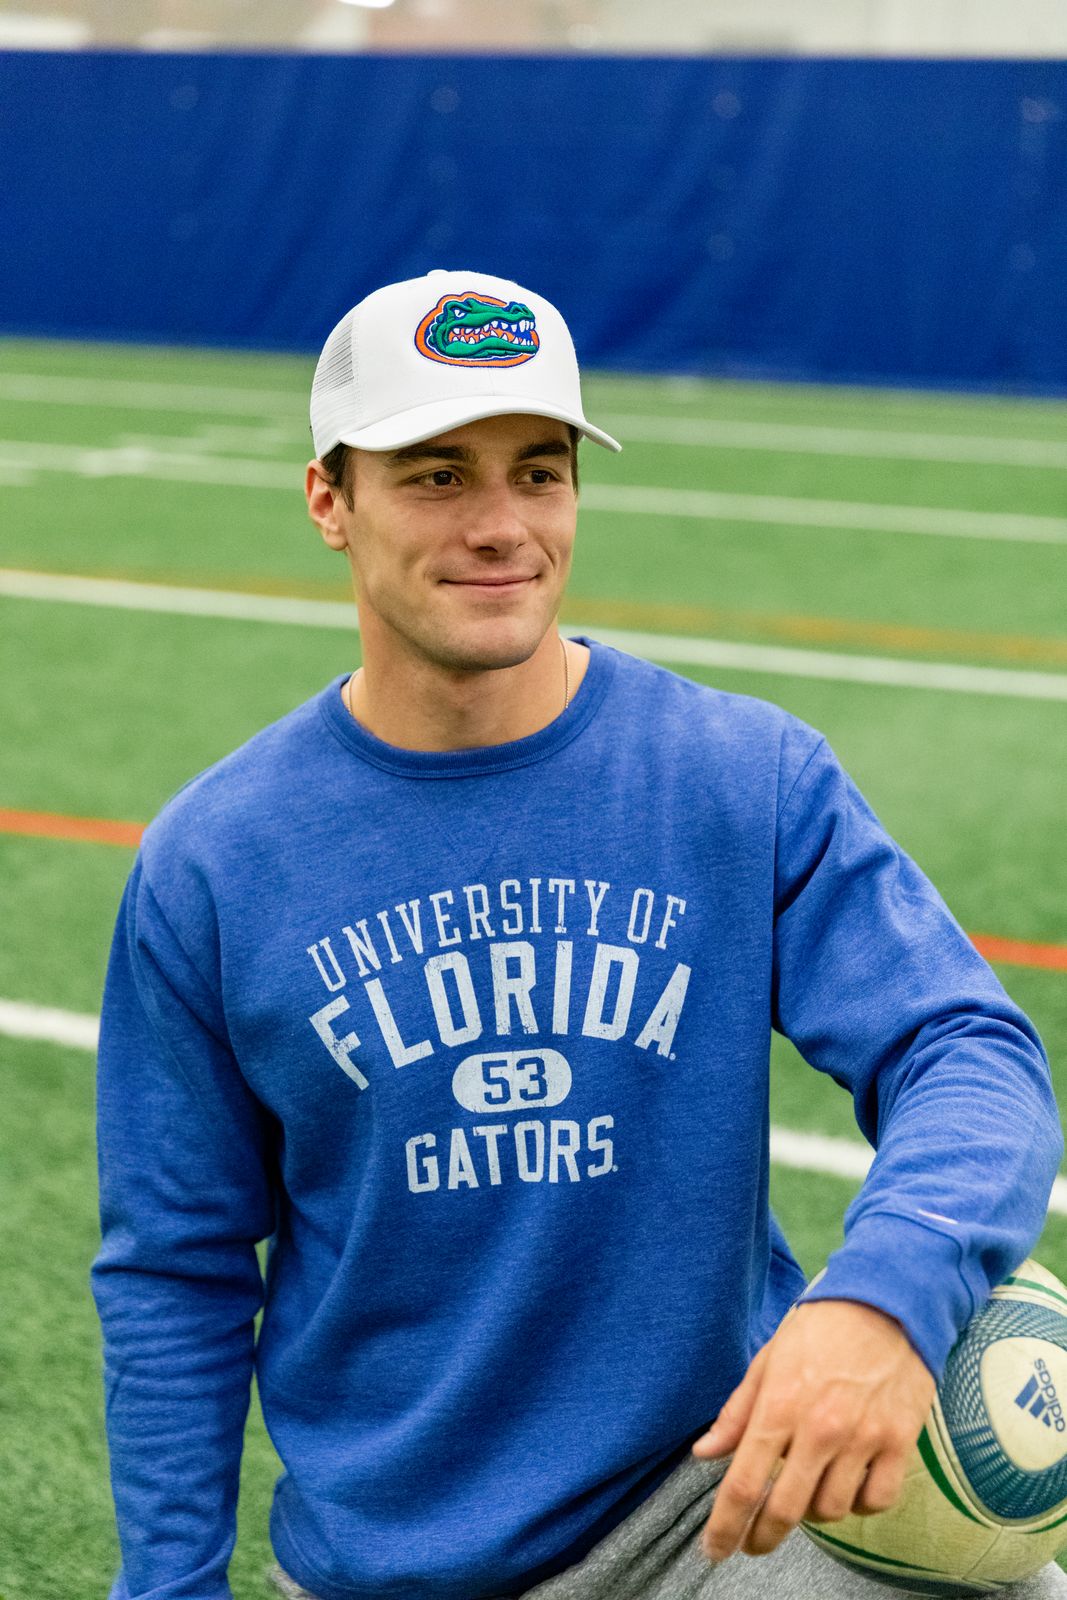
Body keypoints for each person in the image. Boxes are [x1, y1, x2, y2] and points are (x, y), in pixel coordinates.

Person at [91, 268, 1066, 1600]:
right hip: (403, 1567)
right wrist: (166, 1586)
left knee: (1009, 1571)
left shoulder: (740, 776)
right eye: (437, 476)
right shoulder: (215, 862)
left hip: (718, 1504)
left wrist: (879, 1300)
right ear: (330, 500)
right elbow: (175, 1271)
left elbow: (969, 1050)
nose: (501, 526)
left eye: (538, 473)